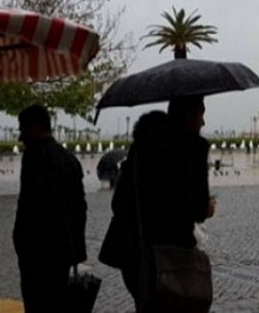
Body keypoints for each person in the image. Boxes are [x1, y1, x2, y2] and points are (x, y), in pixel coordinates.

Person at [100, 95, 213, 310]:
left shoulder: (141, 147)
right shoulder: (193, 150)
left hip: (136, 255)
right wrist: (207, 207)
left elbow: (119, 202)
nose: (203, 122)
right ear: (189, 116)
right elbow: (197, 210)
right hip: (173, 257)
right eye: (201, 114)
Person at [13, 104, 87, 313]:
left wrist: (21, 242)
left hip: (38, 252)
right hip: (64, 252)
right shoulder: (70, 159)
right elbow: (80, 208)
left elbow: (29, 207)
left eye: (22, 129)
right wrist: (76, 250)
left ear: (34, 127)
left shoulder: (34, 157)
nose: (21, 137)